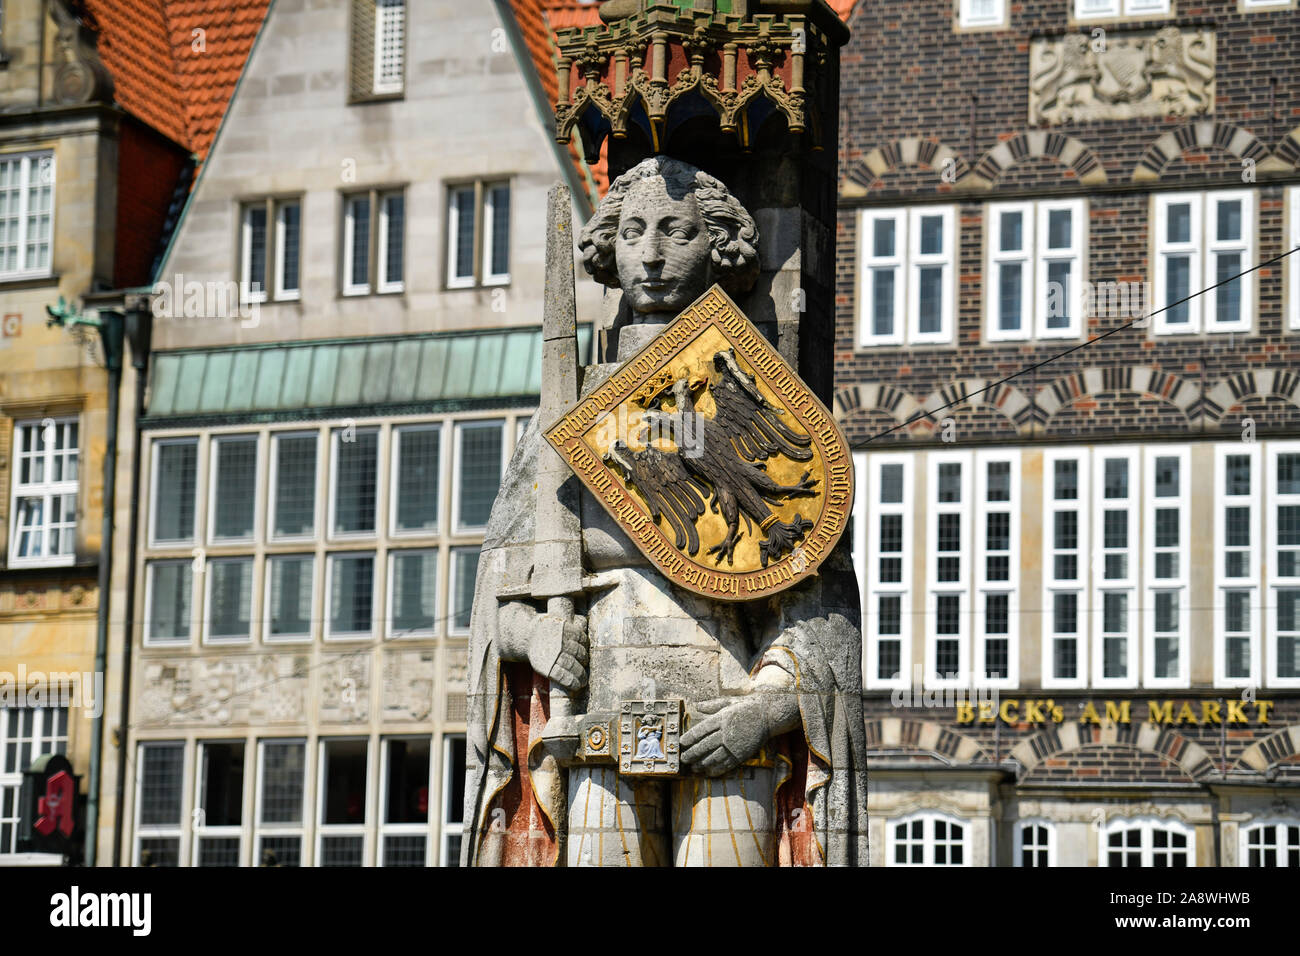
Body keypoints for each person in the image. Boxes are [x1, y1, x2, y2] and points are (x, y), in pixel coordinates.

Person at [462, 157, 867, 866]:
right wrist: (534, 638)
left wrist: (763, 712)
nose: (650, 254)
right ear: (610, 248)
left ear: (717, 247)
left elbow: (816, 603)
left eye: (675, 231)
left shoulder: (756, 394)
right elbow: (501, 596)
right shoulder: (573, 411)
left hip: (727, 717)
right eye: (634, 232)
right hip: (596, 717)